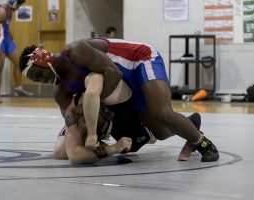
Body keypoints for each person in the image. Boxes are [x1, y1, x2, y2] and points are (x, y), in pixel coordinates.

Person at [19, 38, 219, 162]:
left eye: (38, 75)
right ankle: (191, 124)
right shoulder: (60, 92)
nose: (41, 82)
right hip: (123, 82)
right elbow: (71, 122)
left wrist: (94, 107)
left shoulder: (76, 51)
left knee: (161, 112)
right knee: (161, 132)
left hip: (140, 59)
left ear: (43, 60)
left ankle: (205, 145)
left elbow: (113, 73)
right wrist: (86, 133)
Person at [0, 0, 32, 103]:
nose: (19, 8)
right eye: (19, 5)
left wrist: (11, 37)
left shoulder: (9, 10)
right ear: (14, 3)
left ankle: (18, 88)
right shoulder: (2, 12)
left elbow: (5, 26)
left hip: (7, 40)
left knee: (19, 63)